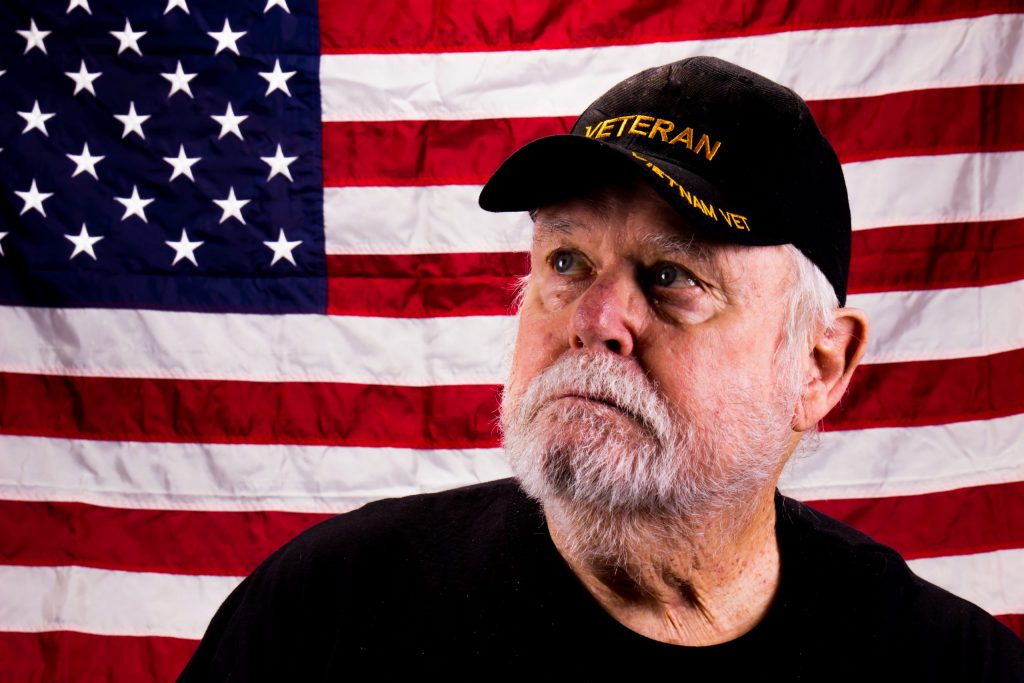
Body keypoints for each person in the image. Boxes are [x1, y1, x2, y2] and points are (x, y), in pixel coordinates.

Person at [178, 57, 1024, 678]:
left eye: (672, 277)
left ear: (818, 363)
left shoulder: (948, 669)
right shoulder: (328, 614)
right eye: (567, 262)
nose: (596, 320)